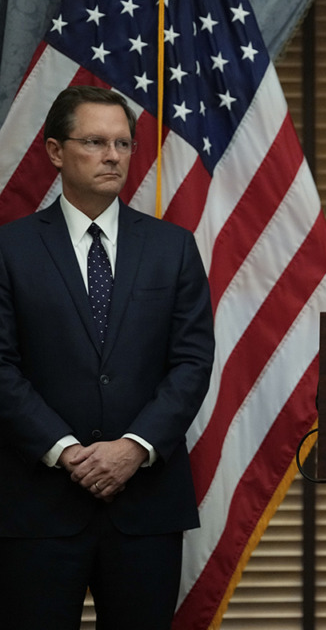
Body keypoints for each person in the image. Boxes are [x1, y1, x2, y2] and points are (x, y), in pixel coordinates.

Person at [0, 86, 215, 628]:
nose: (113, 155)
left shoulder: (174, 247)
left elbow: (191, 362)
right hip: (38, 504)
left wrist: (133, 448)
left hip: (145, 505)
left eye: (122, 143)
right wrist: (67, 451)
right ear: (54, 151)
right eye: (95, 142)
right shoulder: (10, 249)